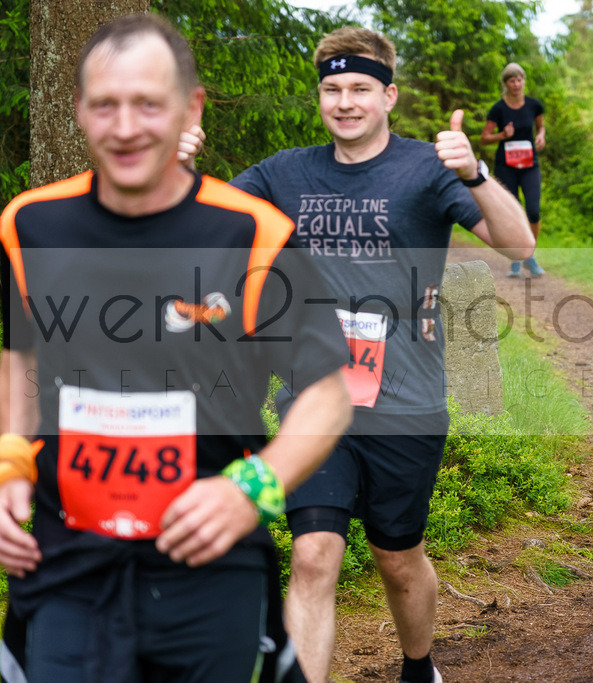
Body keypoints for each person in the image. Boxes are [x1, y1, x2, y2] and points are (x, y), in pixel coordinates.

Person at [0, 14, 352, 682]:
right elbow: (20, 358)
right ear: (78, 110)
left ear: (190, 108)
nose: (125, 127)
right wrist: (10, 464)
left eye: (148, 104)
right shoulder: (31, 224)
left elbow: (328, 394)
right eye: (105, 104)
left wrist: (253, 487)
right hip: (67, 561)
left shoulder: (254, 234)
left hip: (208, 564)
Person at [179, 27, 534, 683]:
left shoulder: (427, 169)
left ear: (389, 95)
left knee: (398, 558)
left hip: (407, 402)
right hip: (314, 397)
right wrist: (175, 167)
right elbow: (201, 222)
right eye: (333, 89)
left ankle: (418, 666)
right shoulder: (283, 172)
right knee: (313, 555)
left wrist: (475, 173)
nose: (345, 102)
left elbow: (518, 244)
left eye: (361, 89)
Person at [480, 62, 546, 278]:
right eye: (512, 80)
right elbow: (484, 138)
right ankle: (516, 258)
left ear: (523, 81)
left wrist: (541, 136)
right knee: (513, 211)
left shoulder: (534, 105)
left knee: (533, 211)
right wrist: (502, 135)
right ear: (506, 83)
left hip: (529, 166)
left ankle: (529, 254)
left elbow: (540, 127)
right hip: (506, 167)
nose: (516, 84)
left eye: (519, 80)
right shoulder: (498, 109)